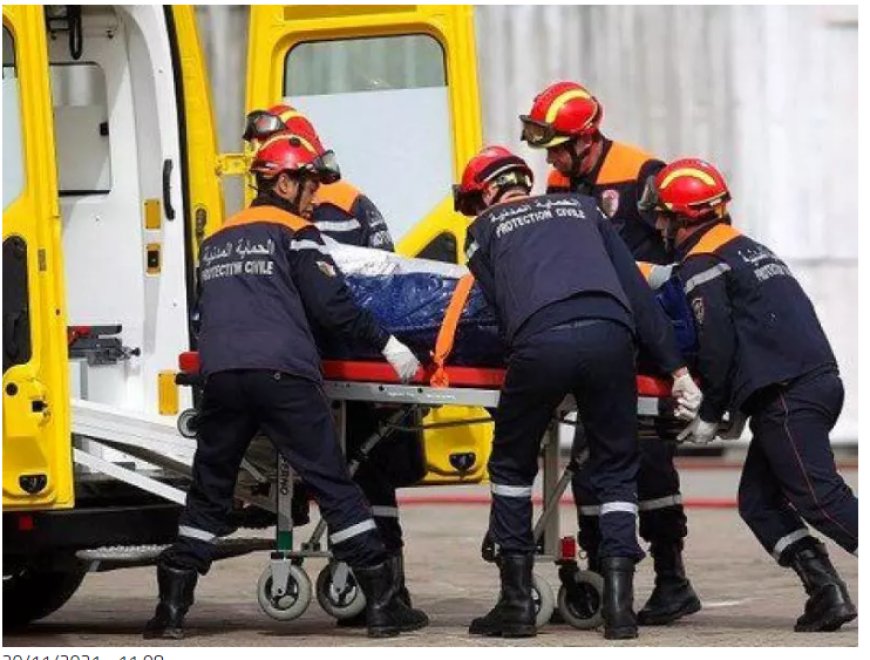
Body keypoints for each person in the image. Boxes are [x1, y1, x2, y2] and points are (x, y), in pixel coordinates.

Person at [144, 133, 428, 640]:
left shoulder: (217, 240)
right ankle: (383, 604)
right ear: (282, 181)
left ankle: (170, 609)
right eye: (308, 185)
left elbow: (199, 314)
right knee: (333, 484)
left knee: (209, 493)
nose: (313, 197)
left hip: (222, 377)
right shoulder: (295, 231)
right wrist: (389, 344)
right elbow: (331, 305)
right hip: (282, 374)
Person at [453, 146, 702, 639]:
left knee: (510, 466)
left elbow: (499, 310)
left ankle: (517, 603)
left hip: (539, 339)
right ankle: (619, 608)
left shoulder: (483, 231)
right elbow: (635, 292)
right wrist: (678, 372)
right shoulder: (586, 211)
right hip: (612, 338)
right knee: (616, 468)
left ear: (485, 192)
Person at [641, 157, 858, 632]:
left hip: (788, 394)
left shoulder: (703, 262)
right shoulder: (745, 249)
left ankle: (827, 589)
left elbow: (716, 341)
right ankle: (826, 592)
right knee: (758, 503)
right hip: (809, 383)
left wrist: (710, 410)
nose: (659, 223)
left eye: (664, 214)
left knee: (820, 499)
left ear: (684, 217)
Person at [520, 80, 701, 626]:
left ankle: (671, 578)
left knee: (645, 459)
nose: (550, 156)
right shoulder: (559, 180)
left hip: (644, 337)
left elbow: (677, 242)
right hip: (597, 335)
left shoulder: (643, 172)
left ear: (586, 139)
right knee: (590, 460)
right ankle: (604, 573)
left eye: (557, 144)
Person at [243, 105, 423, 625]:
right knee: (365, 474)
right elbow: (385, 276)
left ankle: (380, 583)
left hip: (318, 357)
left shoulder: (308, 205)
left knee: (345, 473)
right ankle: (387, 586)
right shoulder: (351, 202)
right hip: (343, 357)